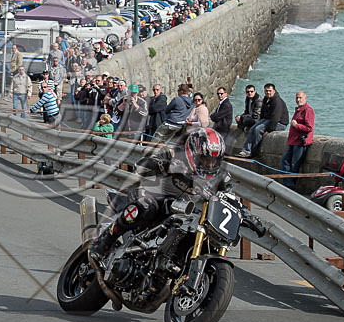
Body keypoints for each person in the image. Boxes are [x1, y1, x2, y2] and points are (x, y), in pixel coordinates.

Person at [88, 127, 227, 271]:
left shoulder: (218, 177)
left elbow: (226, 197)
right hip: (152, 197)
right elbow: (140, 165)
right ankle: (104, 241)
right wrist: (164, 165)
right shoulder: (173, 153)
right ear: (193, 153)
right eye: (205, 159)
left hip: (183, 212)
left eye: (214, 160)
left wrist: (245, 214)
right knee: (146, 206)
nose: (210, 165)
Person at [238, 83, 288, 158]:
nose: (268, 92)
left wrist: (269, 130)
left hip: (279, 123)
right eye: (266, 91)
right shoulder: (266, 99)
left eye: (270, 91)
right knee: (252, 128)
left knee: (258, 129)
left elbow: (275, 118)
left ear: (274, 91)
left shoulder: (277, 101)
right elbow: (262, 113)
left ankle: (253, 152)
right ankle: (246, 150)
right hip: (268, 119)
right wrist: (259, 122)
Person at [280, 91, 315, 189]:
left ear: (305, 98)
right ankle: (287, 183)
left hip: (300, 142)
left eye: (300, 98)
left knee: (295, 164)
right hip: (293, 141)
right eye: (297, 98)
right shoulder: (299, 110)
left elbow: (309, 128)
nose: (298, 100)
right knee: (285, 161)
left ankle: (290, 185)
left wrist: (296, 125)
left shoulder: (308, 110)